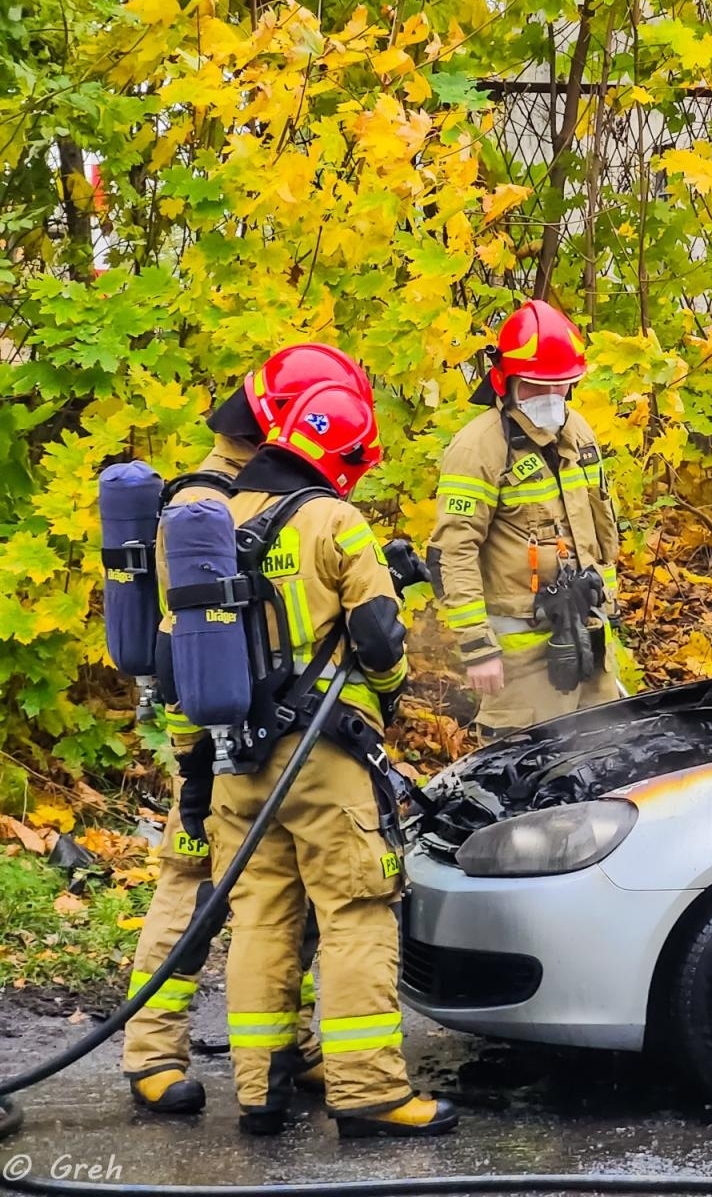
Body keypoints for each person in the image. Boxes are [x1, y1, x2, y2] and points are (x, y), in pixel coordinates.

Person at [200, 369, 456, 1138]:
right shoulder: (336, 520)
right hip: (323, 755)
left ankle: (259, 1091)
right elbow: (379, 641)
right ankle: (369, 1092)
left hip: (234, 761)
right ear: (343, 453)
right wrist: (389, 687)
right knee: (354, 913)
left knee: (262, 920)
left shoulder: (215, 517)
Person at [122, 345, 372, 1114]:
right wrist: (193, 771)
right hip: (209, 736)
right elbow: (176, 651)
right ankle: (151, 1052)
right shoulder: (201, 505)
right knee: (192, 882)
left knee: (274, 889)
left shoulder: (251, 487)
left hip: (251, 729)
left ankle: (284, 1048)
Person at [427, 299, 621, 739]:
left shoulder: (579, 434)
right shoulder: (477, 449)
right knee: (528, 778)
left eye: (561, 387)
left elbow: (600, 529)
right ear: (505, 381)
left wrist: (608, 605)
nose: (550, 399)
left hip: (589, 638)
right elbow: (453, 552)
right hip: (520, 658)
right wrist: (478, 648)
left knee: (606, 762)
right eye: (535, 387)